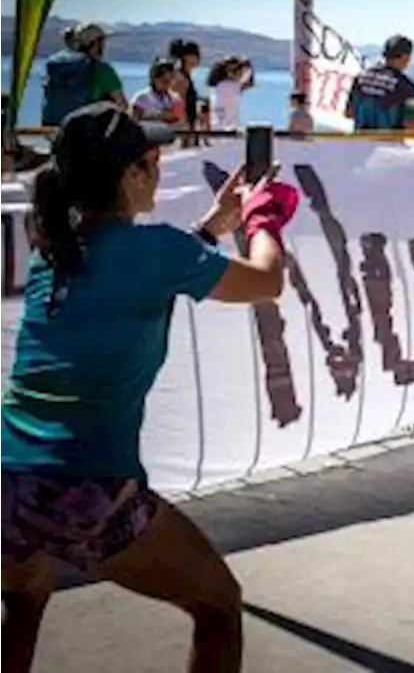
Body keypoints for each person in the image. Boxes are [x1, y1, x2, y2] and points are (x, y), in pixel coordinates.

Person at [0, 102, 297, 672]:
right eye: (150, 157)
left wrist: (212, 228)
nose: (159, 165)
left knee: (26, 596)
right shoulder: (156, 251)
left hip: (10, 474)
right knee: (218, 604)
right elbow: (266, 281)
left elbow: (137, 270)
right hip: (87, 482)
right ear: (130, 177)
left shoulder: (56, 250)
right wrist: (262, 223)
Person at [40, 23, 126, 126]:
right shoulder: (102, 70)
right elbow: (122, 105)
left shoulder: (59, 66)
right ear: (96, 43)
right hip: (85, 133)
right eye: (102, 41)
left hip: (52, 129)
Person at [345, 36, 414, 132]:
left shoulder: (361, 78)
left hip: (360, 143)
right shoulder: (406, 86)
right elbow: (411, 125)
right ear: (405, 57)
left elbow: (349, 113)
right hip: (389, 145)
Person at [129, 58, 182, 126]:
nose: (167, 85)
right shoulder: (141, 98)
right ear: (153, 79)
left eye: (170, 82)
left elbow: (180, 121)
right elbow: (132, 121)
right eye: (164, 81)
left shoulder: (175, 98)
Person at [168, 39, 202, 142]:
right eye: (196, 55)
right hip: (182, 130)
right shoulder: (180, 79)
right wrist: (185, 130)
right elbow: (178, 105)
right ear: (187, 57)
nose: (198, 59)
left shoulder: (184, 76)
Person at [208, 57, 253, 130]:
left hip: (216, 126)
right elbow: (247, 79)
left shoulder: (217, 87)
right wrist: (247, 65)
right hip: (227, 128)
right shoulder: (232, 86)